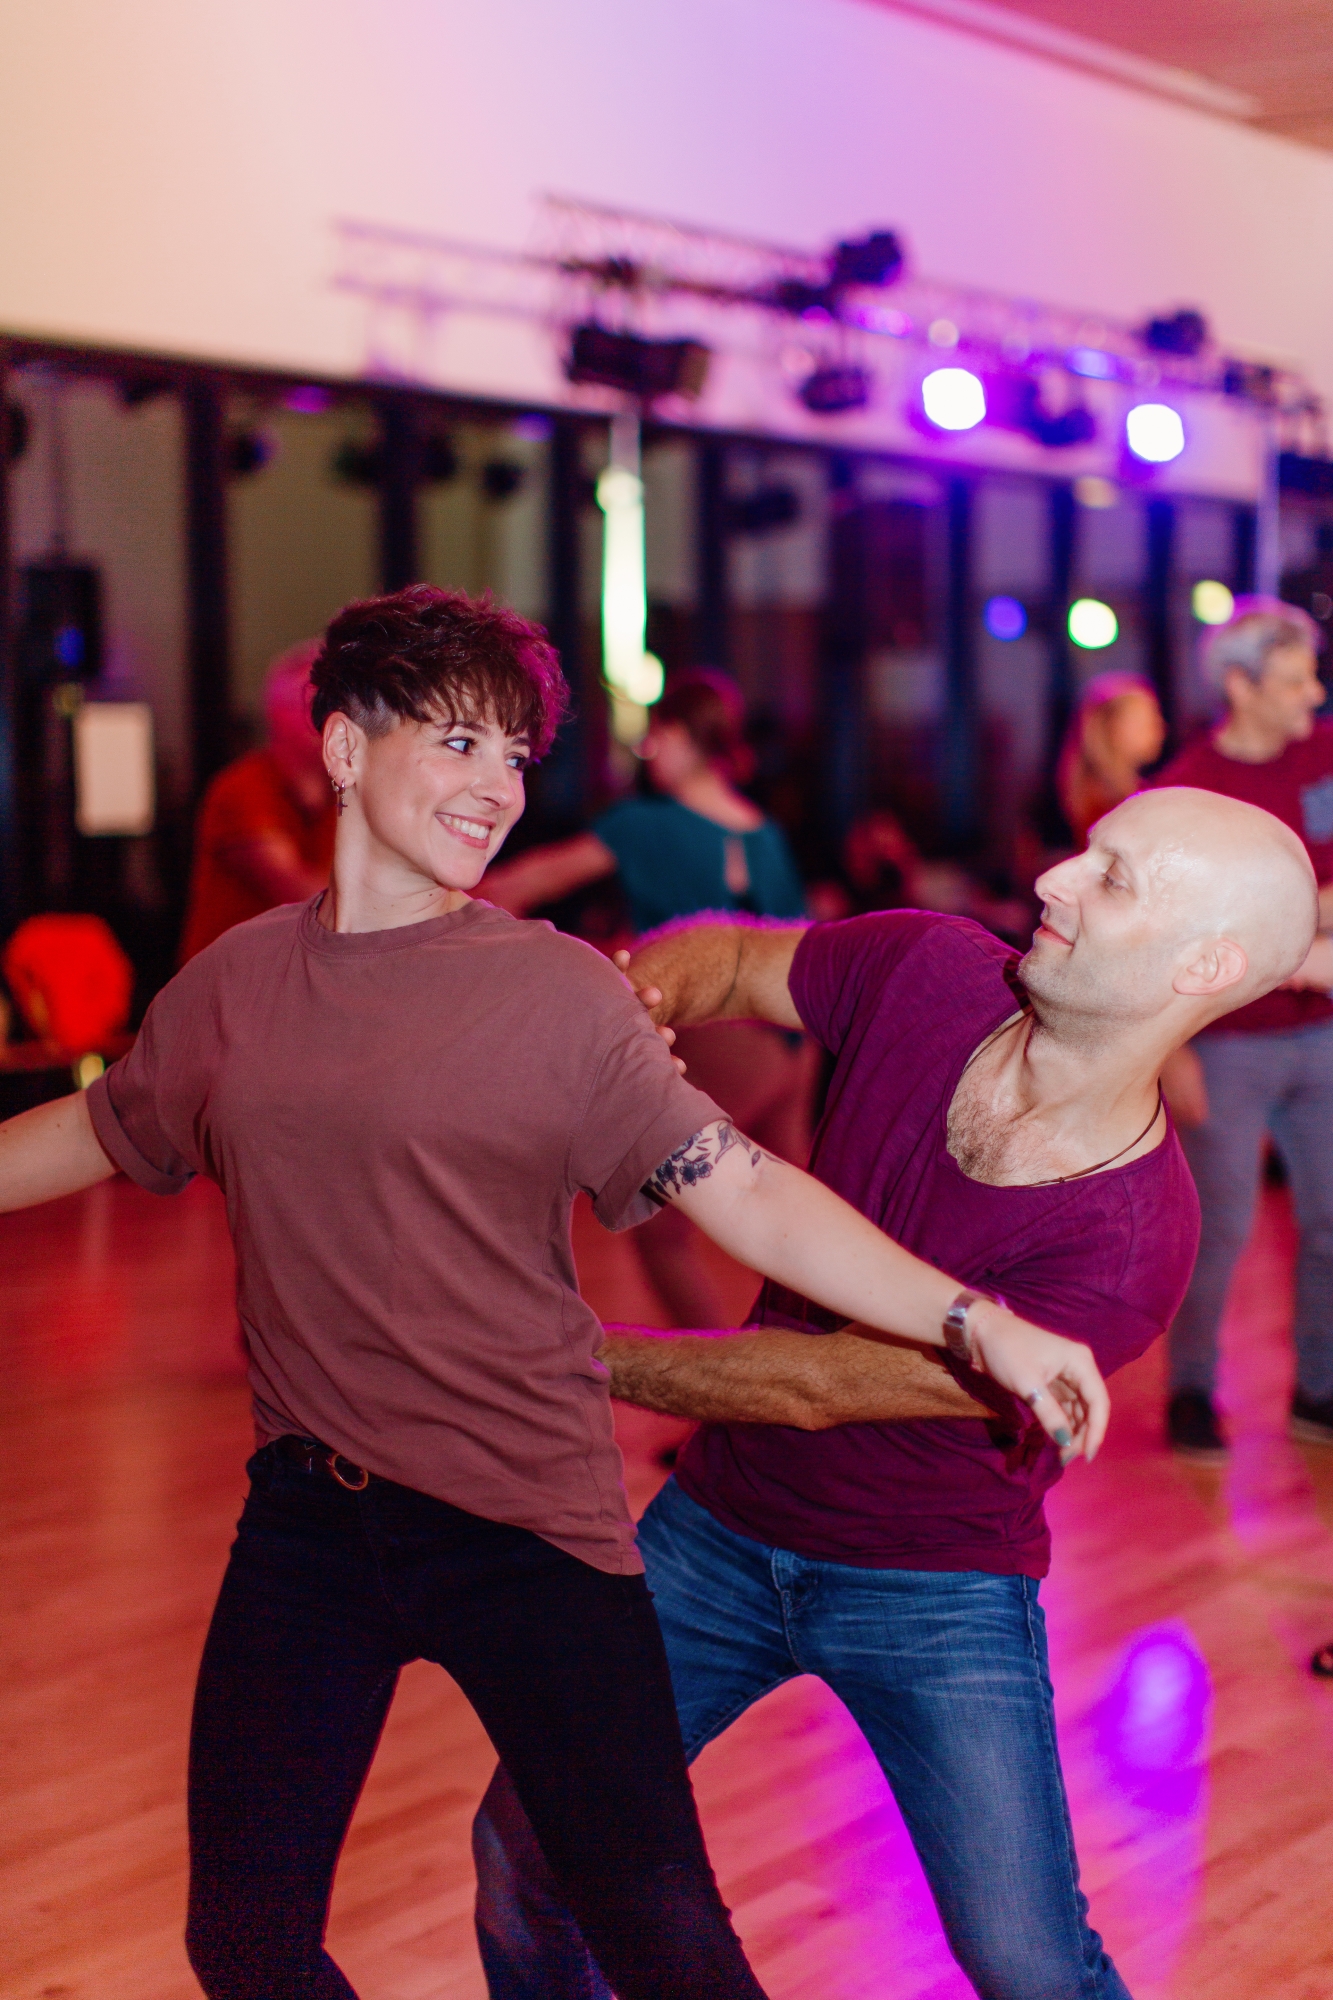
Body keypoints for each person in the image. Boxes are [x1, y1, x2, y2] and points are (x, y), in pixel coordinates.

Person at [0, 585, 1108, 2000]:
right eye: (459, 742)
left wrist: (971, 1316)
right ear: (343, 747)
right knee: (246, 1939)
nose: (498, 786)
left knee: (665, 1942)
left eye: (516, 754)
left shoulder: (557, 994)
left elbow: (751, 1193)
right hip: (309, 1521)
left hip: (521, 1525)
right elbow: (101, 1128)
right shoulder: (234, 985)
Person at [472, 785, 1318, 2000]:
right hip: (716, 1528)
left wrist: (553, 1354)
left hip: (932, 1589)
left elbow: (816, 1381)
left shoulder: (1135, 1235)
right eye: (1084, 851)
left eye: (1112, 877)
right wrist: (627, 1017)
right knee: (527, 1848)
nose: (1053, 879)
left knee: (1028, 1962)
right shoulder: (931, 968)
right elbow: (731, 958)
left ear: (1205, 965)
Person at [485, 668, 816, 1326]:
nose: (649, 753)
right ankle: (821, 1359)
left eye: (658, 737)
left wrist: (447, 906)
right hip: (793, 1046)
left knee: (659, 1229)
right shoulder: (764, 832)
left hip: (722, 1040)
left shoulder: (646, 823)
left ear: (689, 740)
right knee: (796, 1225)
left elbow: (532, 880)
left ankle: (719, 1385)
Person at [1152, 598, 1333, 1458]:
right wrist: (1171, 1048)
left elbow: (1244, 920)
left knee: (1329, 1222)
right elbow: (1163, 936)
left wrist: (1274, 922)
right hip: (1223, 1044)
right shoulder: (1187, 790)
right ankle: (1189, 1391)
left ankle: (1319, 1390)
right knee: (1218, 1228)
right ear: (1239, 685)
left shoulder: (1324, 756)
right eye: (1295, 680)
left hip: (1322, 1033)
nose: (1314, 695)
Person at [179, 637, 336, 961]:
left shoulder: (342, 791)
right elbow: (303, 894)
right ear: (279, 714)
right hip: (229, 981)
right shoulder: (243, 788)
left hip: (293, 975)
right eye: (321, 704)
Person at [1056, 671, 1167, 848]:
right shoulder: (1102, 804)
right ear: (1111, 728)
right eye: (1143, 722)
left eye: (1156, 718)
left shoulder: (1133, 789)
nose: (1158, 728)